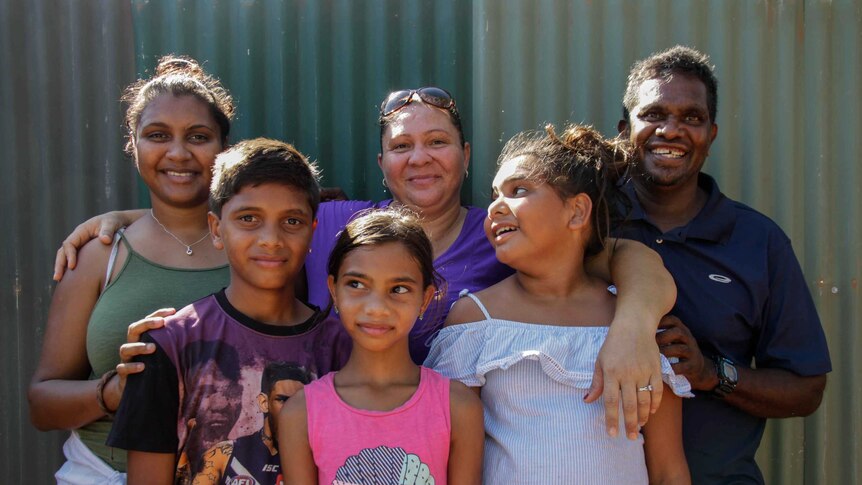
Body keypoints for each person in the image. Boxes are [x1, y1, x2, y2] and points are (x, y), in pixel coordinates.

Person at [54, 86, 677, 438]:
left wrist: (633, 326)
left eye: (436, 142)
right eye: (401, 146)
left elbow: (622, 254)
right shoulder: (330, 222)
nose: (420, 158)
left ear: (464, 154)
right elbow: (251, 212)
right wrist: (134, 222)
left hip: (450, 444)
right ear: (381, 165)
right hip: (321, 438)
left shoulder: (504, 234)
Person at [426, 124, 692, 484]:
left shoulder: (634, 320)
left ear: (577, 212)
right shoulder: (475, 318)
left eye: (518, 190)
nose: (494, 208)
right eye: (494, 195)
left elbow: (668, 469)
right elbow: (451, 459)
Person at [615, 45, 831, 484]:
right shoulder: (585, 224)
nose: (670, 130)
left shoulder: (758, 242)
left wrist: (712, 373)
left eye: (691, 118)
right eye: (653, 113)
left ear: (711, 134)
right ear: (625, 130)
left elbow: (806, 389)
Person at [28, 55, 235, 483]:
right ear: (134, 144)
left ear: (224, 149)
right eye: (158, 135)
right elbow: (42, 404)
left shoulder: (259, 250)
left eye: (198, 136)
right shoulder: (99, 255)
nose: (178, 152)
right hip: (104, 473)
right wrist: (115, 391)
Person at [106, 138, 350, 484]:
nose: (270, 239)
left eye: (292, 221)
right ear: (216, 229)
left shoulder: (341, 349)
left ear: (312, 232)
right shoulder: (169, 345)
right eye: (248, 218)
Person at [279, 208, 484, 484]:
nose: (376, 308)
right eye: (356, 284)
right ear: (333, 290)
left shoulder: (458, 407)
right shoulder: (302, 413)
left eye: (398, 289)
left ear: (425, 299)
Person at [193, 361, 313, 485]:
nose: (291, 409)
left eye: (299, 403)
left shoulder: (314, 458)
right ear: (264, 403)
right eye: (282, 400)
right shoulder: (223, 455)